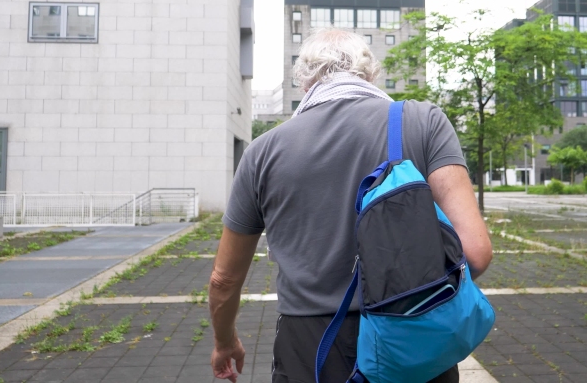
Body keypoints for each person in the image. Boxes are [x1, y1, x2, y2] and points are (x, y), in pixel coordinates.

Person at [209, 28, 492, 382]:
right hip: (412, 338)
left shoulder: (261, 152)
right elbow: (475, 253)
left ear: (304, 82)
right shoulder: (424, 123)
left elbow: (223, 279)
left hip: (309, 347)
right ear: (370, 72)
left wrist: (225, 341)